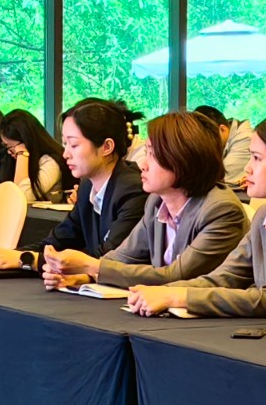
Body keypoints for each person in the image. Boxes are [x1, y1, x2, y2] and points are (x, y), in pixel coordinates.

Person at [127, 109, 266, 318]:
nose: (247, 168)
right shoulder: (264, 216)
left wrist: (178, 297)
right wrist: (162, 291)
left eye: (257, 158)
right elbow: (224, 277)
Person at [40, 112, 248, 290]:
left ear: (183, 159)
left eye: (153, 155)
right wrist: (84, 276)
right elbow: (123, 257)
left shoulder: (221, 210)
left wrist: (92, 267)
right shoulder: (156, 202)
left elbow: (176, 275)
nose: (143, 165)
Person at [0, 98, 147, 273]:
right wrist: (3, 254)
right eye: (64, 144)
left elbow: (105, 260)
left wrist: (24, 259)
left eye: (74, 145)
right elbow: (57, 242)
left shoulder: (132, 190)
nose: (65, 154)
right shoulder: (87, 186)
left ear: (106, 147)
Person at [0, 108, 70, 203]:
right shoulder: (20, 160)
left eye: (10, 147)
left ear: (26, 141)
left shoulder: (51, 162)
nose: (9, 152)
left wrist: (22, 153)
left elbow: (21, 196)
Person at [194, 105, 253, 189]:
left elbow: (222, 179)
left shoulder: (246, 139)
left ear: (222, 130)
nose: (204, 144)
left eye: (206, 137)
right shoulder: (228, 137)